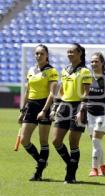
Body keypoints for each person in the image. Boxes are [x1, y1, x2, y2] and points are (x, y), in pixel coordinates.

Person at [51, 43, 92, 184]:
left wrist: (81, 110)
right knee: (56, 141)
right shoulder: (65, 70)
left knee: (73, 142)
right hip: (64, 106)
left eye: (72, 52)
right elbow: (61, 90)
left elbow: (87, 93)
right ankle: (71, 164)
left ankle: (70, 175)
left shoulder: (85, 71)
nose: (69, 54)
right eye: (68, 52)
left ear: (80, 53)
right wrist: (56, 107)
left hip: (79, 107)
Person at [18, 44, 58, 181]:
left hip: (44, 105)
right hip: (31, 106)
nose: (38, 56)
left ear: (47, 55)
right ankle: (41, 160)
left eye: (41, 53)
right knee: (24, 139)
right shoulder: (31, 70)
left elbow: (52, 94)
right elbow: (28, 91)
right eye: (37, 53)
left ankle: (38, 173)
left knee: (43, 141)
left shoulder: (51, 71)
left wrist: (44, 110)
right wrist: (22, 110)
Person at [86, 52, 105, 176]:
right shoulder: (87, 78)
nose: (93, 64)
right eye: (92, 61)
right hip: (89, 113)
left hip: (102, 114)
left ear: (102, 63)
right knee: (96, 143)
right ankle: (103, 166)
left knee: (96, 141)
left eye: (96, 61)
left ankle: (94, 169)